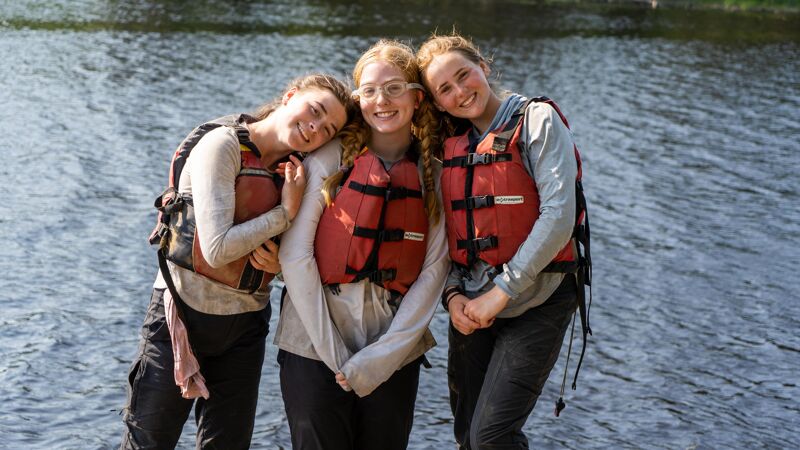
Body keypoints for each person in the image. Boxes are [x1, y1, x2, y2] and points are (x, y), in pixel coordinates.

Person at [120, 74, 356, 449]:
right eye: (314, 110)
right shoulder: (222, 145)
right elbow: (216, 249)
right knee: (149, 442)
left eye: (327, 128)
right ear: (290, 95)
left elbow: (295, 257)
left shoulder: (297, 173)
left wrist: (278, 264)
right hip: (181, 315)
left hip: (244, 329)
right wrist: (284, 213)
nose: (315, 127)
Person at [271, 40, 449, 450]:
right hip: (313, 342)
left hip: (393, 347)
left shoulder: (433, 176)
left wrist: (380, 359)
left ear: (417, 98)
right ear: (357, 99)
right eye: (369, 90)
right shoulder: (329, 159)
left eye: (394, 88)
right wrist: (335, 354)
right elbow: (295, 256)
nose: (381, 101)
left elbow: (434, 270)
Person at [417, 33, 591, 449]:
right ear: (437, 102)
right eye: (445, 88)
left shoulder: (537, 120)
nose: (461, 92)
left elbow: (558, 216)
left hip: (539, 298)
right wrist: (453, 295)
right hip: (472, 305)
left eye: (465, 75)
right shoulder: (447, 147)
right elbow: (446, 235)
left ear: (484, 67)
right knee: (467, 438)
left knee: (491, 438)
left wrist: (501, 293)